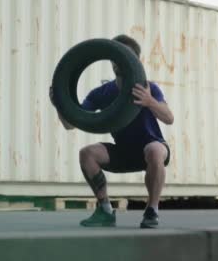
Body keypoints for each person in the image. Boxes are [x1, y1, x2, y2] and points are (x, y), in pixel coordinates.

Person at [49, 34, 174, 228]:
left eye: (124, 55)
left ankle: (152, 210)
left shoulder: (147, 88)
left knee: (154, 150)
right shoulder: (101, 93)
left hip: (153, 147)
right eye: (115, 56)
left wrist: (150, 101)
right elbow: (71, 124)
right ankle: (105, 210)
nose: (118, 61)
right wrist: (59, 105)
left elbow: (169, 118)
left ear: (135, 60)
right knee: (87, 154)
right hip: (123, 151)